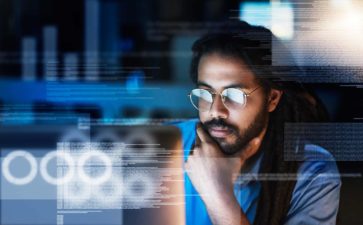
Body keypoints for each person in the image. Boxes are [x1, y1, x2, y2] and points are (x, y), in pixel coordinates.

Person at [174, 21, 341, 225]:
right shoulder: (169, 145)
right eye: (206, 93)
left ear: (272, 99)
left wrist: (218, 195)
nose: (215, 110)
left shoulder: (312, 173)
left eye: (234, 95)